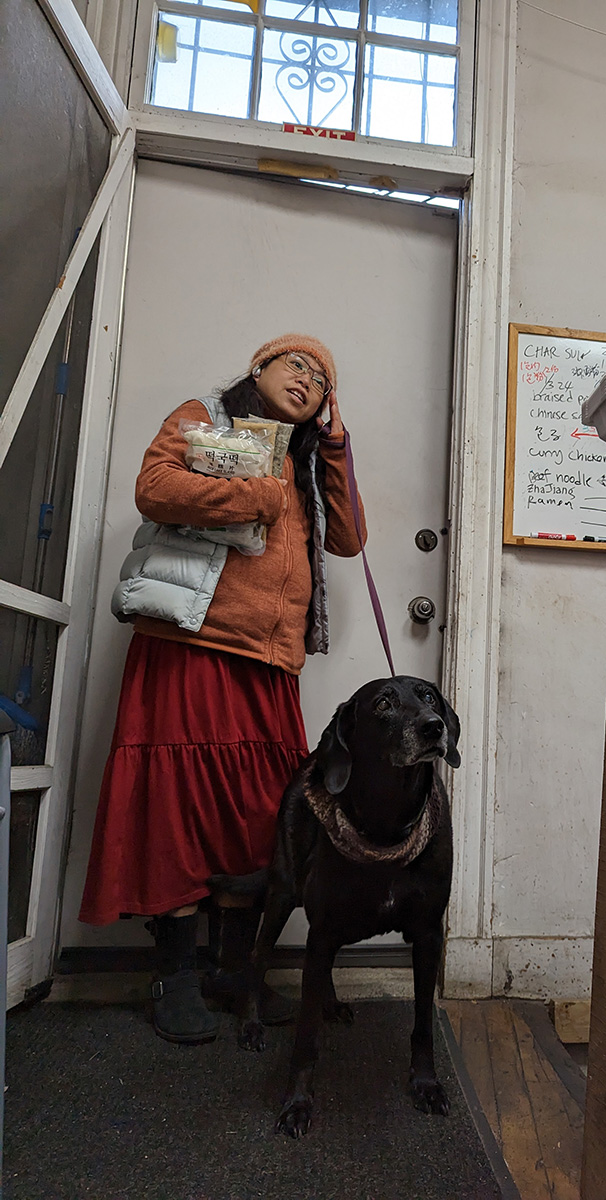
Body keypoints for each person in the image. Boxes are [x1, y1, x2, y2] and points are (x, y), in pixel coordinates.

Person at [79, 334, 365, 1044]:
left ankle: (235, 970)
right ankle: (175, 974)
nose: (308, 380)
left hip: (270, 660)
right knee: (173, 808)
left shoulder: (307, 460)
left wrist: (333, 448)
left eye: (322, 381)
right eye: (296, 364)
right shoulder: (204, 417)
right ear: (260, 368)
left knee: (260, 815)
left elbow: (349, 538)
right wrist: (257, 495)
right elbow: (156, 488)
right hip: (191, 642)